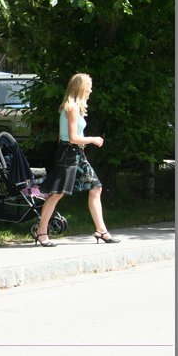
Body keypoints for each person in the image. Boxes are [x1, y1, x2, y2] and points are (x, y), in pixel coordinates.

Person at [35, 73, 121, 247]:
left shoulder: (75, 107)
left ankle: (101, 231)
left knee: (96, 187)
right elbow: (73, 138)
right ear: (80, 88)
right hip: (69, 153)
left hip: (77, 154)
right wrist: (93, 139)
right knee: (56, 193)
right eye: (88, 87)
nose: (90, 90)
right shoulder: (71, 108)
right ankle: (41, 232)